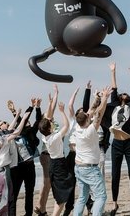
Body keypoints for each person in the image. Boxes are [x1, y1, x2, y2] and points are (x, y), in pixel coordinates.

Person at [106, 63, 130, 216]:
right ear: (119, 97)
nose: (125, 95)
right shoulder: (114, 105)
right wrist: (113, 71)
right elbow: (114, 89)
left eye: (126, 95)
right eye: (122, 94)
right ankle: (114, 203)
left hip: (129, 144)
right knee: (115, 175)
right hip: (116, 144)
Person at [72, 86, 112, 216]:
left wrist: (98, 98)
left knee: (82, 197)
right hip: (90, 169)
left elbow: (93, 109)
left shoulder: (78, 127)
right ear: (87, 119)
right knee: (101, 196)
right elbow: (99, 113)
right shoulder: (90, 130)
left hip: (79, 167)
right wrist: (105, 98)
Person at [39, 87, 78, 216]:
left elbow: (48, 118)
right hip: (59, 164)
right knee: (63, 193)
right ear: (49, 128)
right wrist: (62, 112)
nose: (52, 123)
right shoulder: (55, 137)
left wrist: (52, 102)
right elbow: (66, 126)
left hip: (53, 164)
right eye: (50, 124)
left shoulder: (44, 136)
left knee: (59, 193)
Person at [0, 107, 33, 216]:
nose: (5, 123)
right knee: (1, 199)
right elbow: (16, 130)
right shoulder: (3, 138)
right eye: (2, 123)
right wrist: (23, 119)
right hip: (2, 172)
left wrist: (18, 115)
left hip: (2, 171)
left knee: (4, 198)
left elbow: (13, 128)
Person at [9, 98, 43, 216]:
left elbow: (38, 120)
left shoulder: (32, 131)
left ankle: (28, 214)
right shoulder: (18, 133)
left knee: (30, 192)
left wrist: (37, 107)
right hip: (18, 167)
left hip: (30, 166)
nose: (27, 122)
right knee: (15, 192)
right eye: (24, 121)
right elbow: (23, 118)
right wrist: (31, 107)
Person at [35, 85, 59, 216]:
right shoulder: (45, 125)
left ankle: (41, 208)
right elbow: (50, 111)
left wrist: (56, 94)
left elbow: (52, 109)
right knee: (47, 182)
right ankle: (40, 206)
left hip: (50, 155)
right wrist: (51, 102)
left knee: (47, 183)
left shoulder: (49, 123)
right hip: (47, 155)